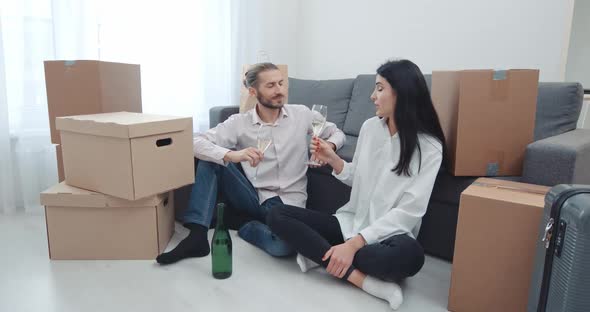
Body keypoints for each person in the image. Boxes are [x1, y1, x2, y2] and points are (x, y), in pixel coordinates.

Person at [267, 59, 447, 310]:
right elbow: (357, 177)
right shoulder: (370, 128)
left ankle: (322, 255)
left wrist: (354, 244)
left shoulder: (429, 147)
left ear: (402, 93)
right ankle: (362, 280)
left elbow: (410, 212)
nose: (373, 96)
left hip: (388, 237)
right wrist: (333, 160)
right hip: (349, 222)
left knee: (412, 257)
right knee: (276, 213)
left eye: (380, 88)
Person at [156, 62, 346, 265]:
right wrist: (233, 155)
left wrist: (330, 146)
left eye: (281, 83)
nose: (279, 90)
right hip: (253, 196)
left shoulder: (302, 114)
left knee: (282, 247)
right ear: (253, 91)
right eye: (271, 85)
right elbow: (194, 141)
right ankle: (197, 235)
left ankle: (240, 222)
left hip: (290, 205)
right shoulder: (240, 122)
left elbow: (337, 132)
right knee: (210, 159)